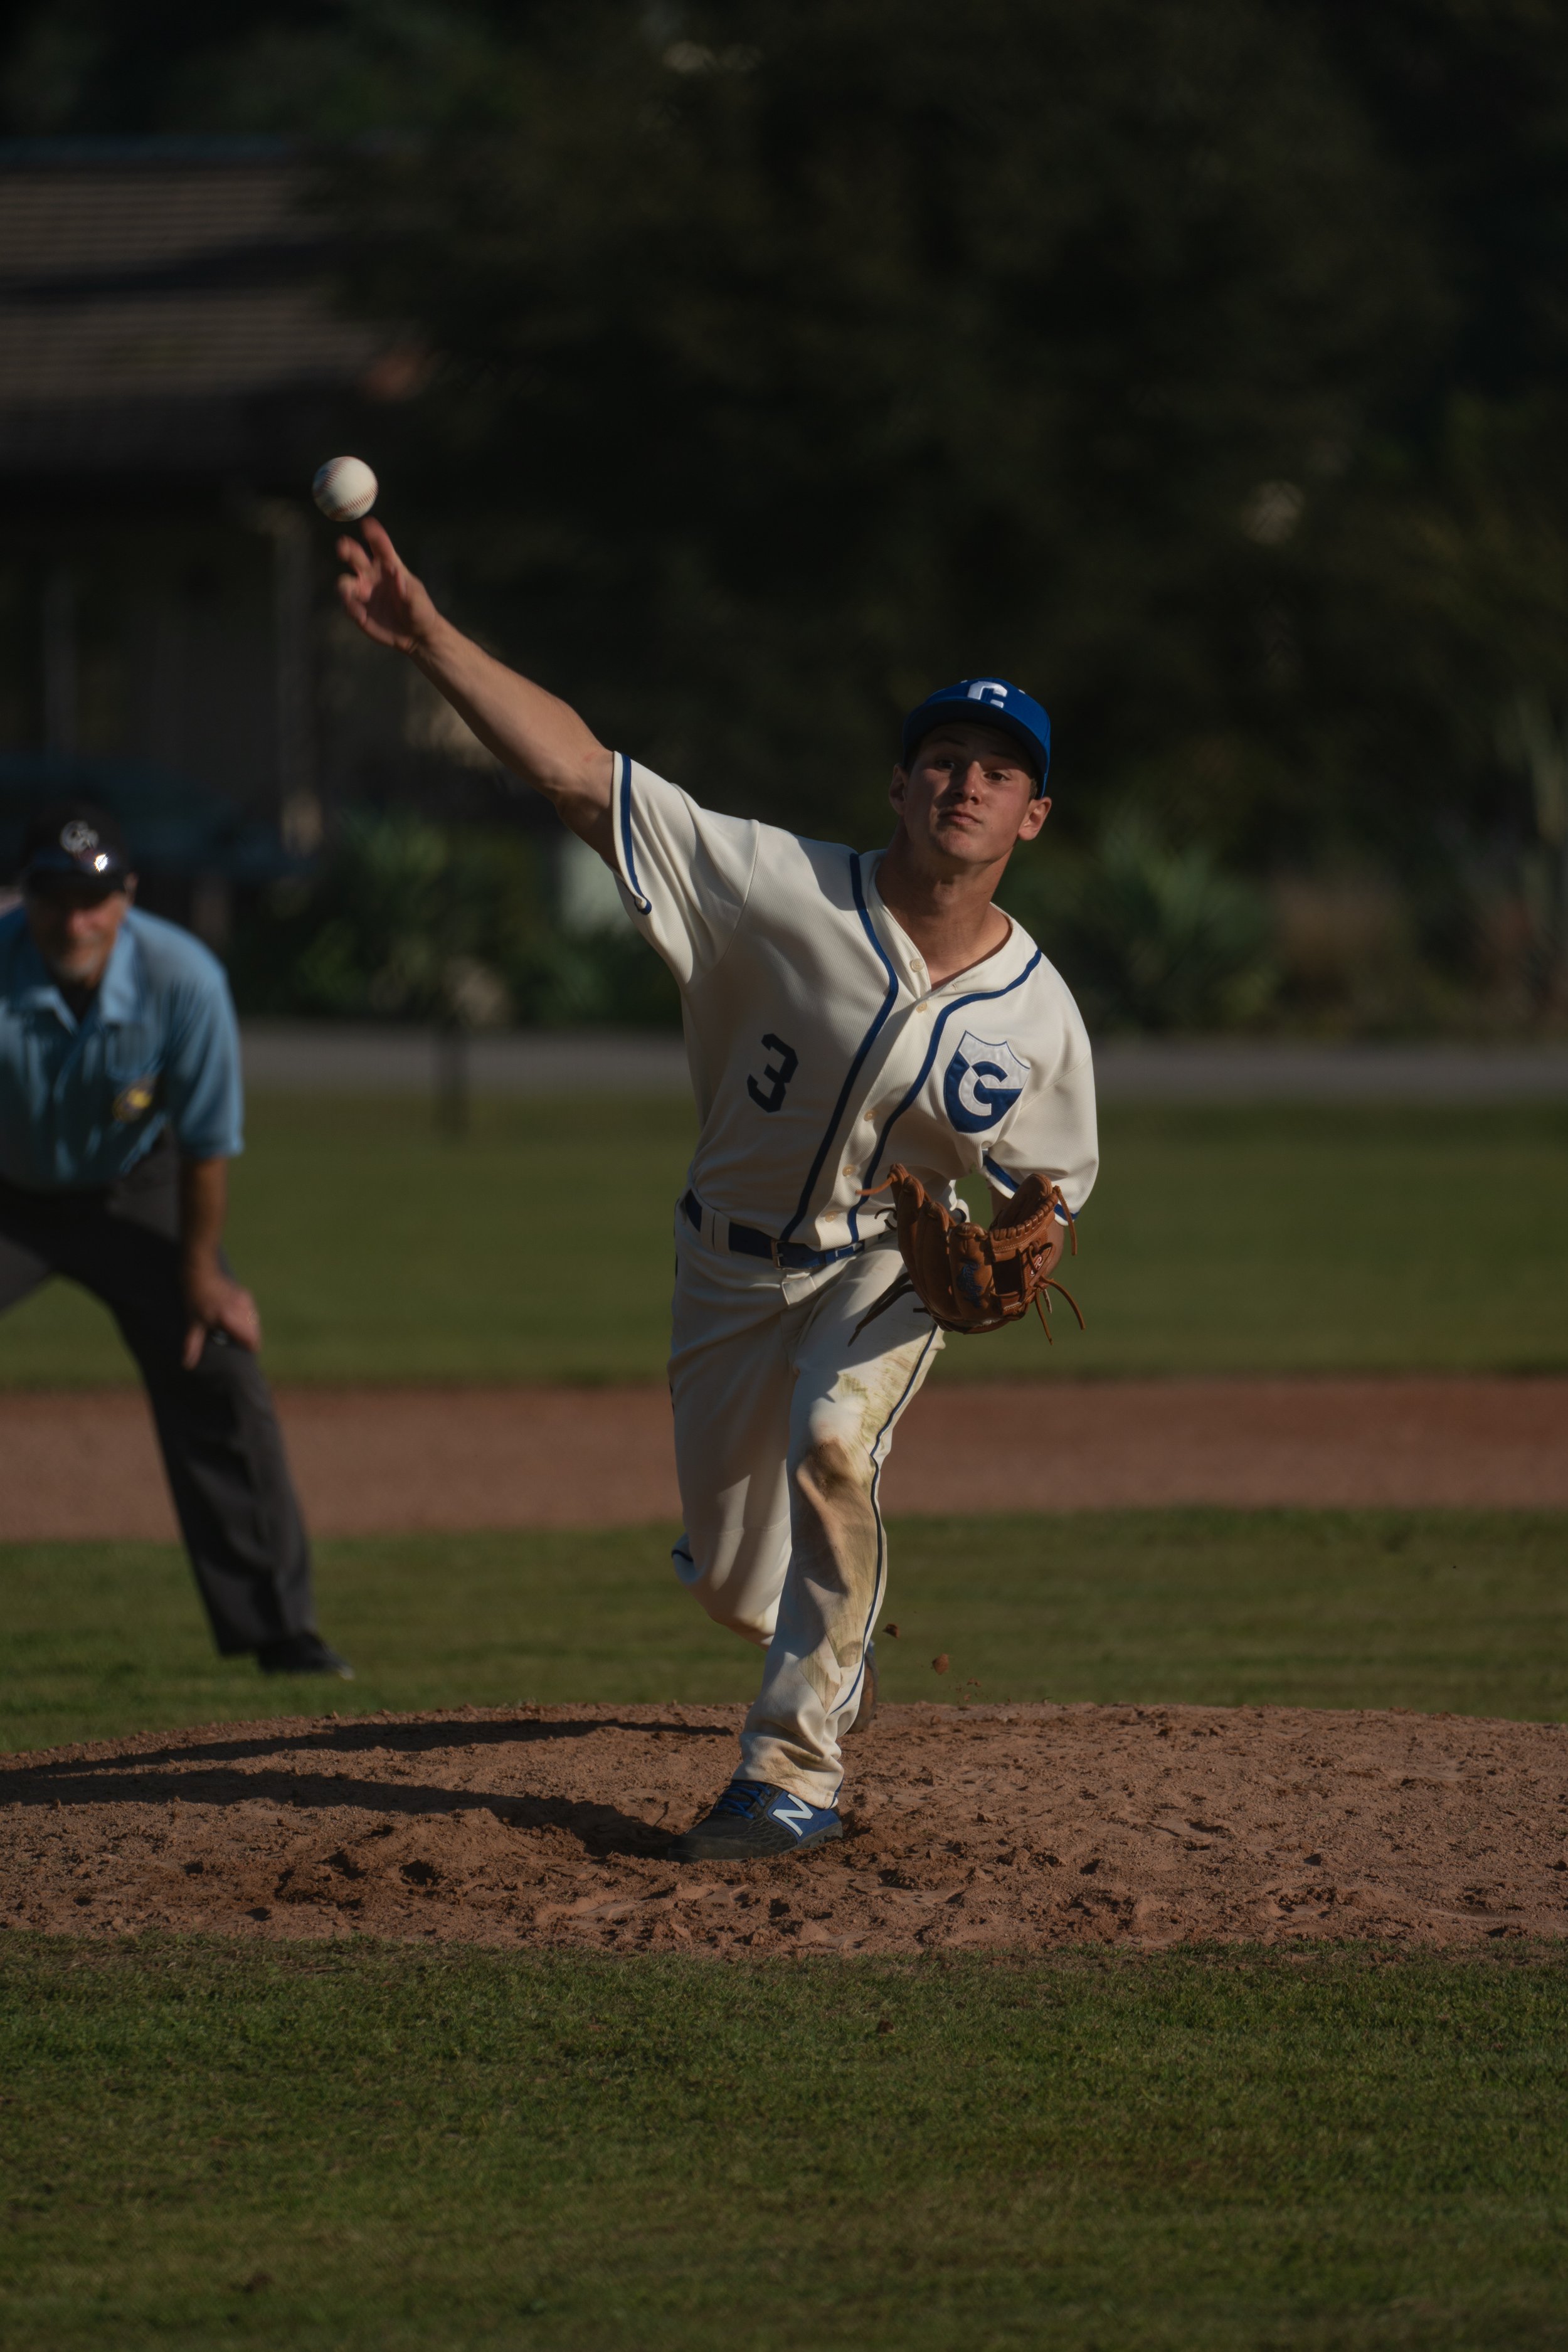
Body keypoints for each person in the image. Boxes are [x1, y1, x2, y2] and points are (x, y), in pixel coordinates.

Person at [337, 519, 1096, 1857]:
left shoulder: (1037, 1015)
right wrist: (427, 637)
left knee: (834, 1445)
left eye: (997, 771)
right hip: (723, 1272)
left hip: (881, 1266)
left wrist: (1025, 1241)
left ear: (1030, 817)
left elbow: (1050, 1190)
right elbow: (581, 777)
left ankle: (791, 1776)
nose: (965, 783)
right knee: (738, 1588)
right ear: (899, 787)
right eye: (941, 759)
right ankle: (829, 1646)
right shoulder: (773, 886)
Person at [0, 802, 351, 1679]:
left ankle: (282, 1632)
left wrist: (201, 1275)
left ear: (126, 893)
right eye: (54, 897)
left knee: (217, 1357)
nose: (75, 921)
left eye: (94, 899)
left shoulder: (183, 977)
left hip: (137, 1186)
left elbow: (206, 1142)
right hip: (9, 1192)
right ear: (24, 895)